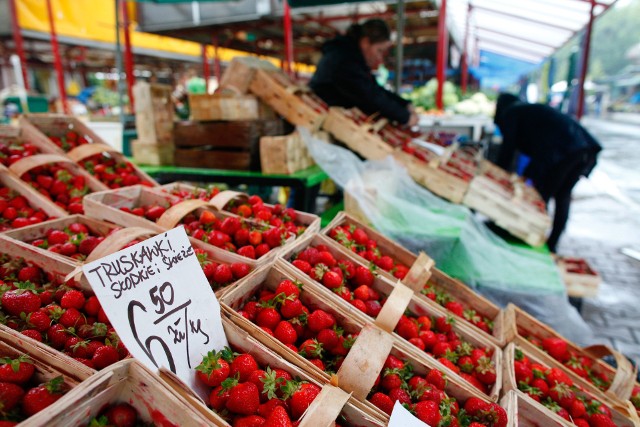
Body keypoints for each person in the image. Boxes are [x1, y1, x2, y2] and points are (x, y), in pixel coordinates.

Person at [494, 93, 602, 253]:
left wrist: (498, 175)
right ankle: (551, 243)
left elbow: (507, 150)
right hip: (584, 149)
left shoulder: (512, 112)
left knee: (541, 194)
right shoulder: (527, 110)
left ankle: (528, 233)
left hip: (566, 151)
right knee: (562, 195)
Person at [309, 19, 418, 126]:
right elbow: (369, 97)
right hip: (320, 123)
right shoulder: (344, 60)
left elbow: (373, 88)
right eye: (379, 50)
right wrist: (405, 117)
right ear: (365, 42)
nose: (379, 57)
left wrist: (404, 104)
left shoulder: (350, 57)